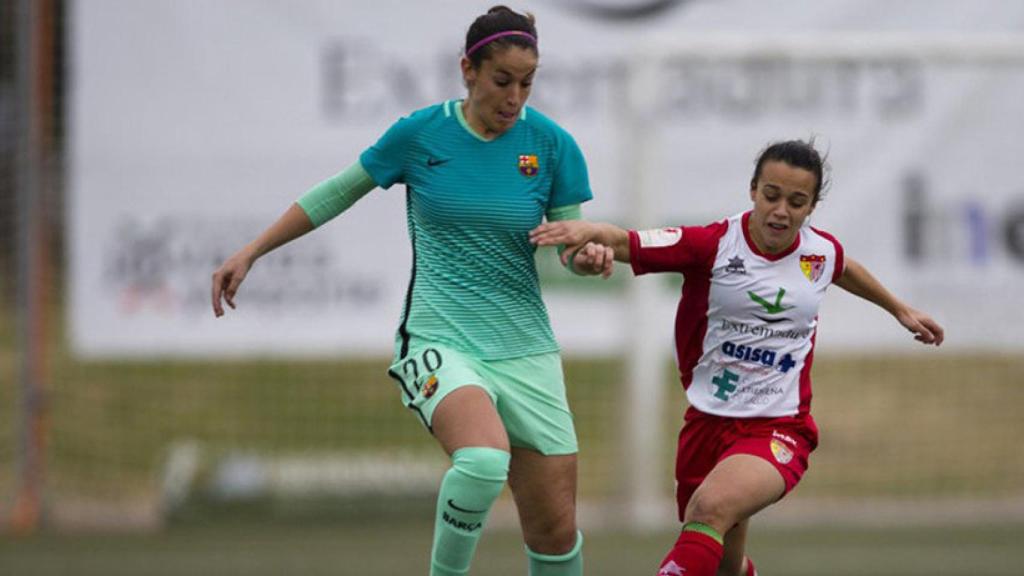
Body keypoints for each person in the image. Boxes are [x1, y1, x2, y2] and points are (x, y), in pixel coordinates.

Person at [211, 6, 614, 575]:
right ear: (467, 70)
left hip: (526, 348)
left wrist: (587, 255)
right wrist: (252, 250)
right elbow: (337, 193)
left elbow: (569, 243)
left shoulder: (551, 145)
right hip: (440, 337)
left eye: (527, 84)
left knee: (553, 532)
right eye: (502, 81)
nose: (515, 97)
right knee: (480, 460)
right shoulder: (420, 134)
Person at [529, 139, 945, 576]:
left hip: (779, 427)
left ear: (811, 207)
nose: (781, 210)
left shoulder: (818, 253)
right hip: (706, 425)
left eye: (796, 201)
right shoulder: (712, 244)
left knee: (709, 508)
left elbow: (842, 266)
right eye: (772, 195)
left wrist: (899, 308)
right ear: (752, 190)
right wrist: (591, 236)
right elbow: (628, 242)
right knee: (726, 564)